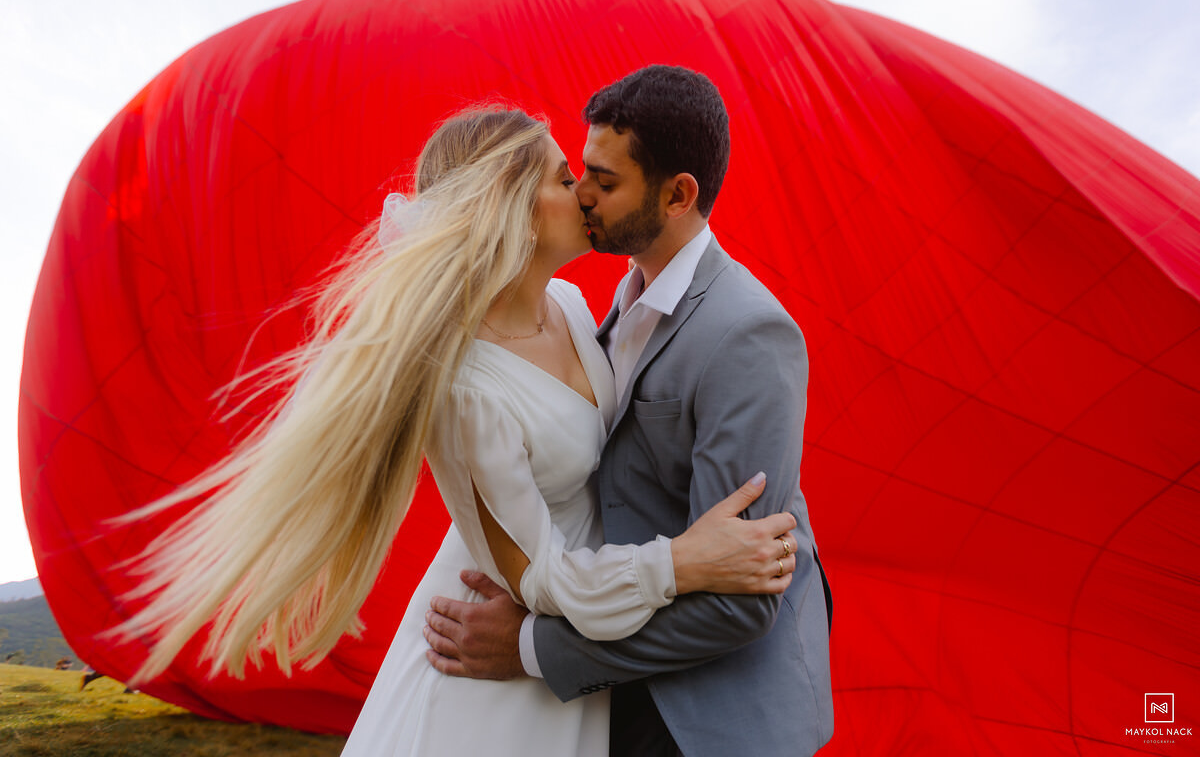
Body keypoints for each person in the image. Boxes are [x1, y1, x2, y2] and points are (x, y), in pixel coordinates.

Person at [114, 107, 800, 756]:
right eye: (566, 179)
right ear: (512, 208)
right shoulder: (470, 386)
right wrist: (682, 562)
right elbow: (542, 577)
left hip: (582, 643)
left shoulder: (568, 304)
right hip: (497, 663)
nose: (587, 195)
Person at [424, 66, 835, 756]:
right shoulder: (602, 303)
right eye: (580, 171)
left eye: (605, 182)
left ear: (678, 195)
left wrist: (532, 647)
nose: (582, 194)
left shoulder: (748, 334)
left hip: (709, 719)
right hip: (615, 686)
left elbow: (742, 599)